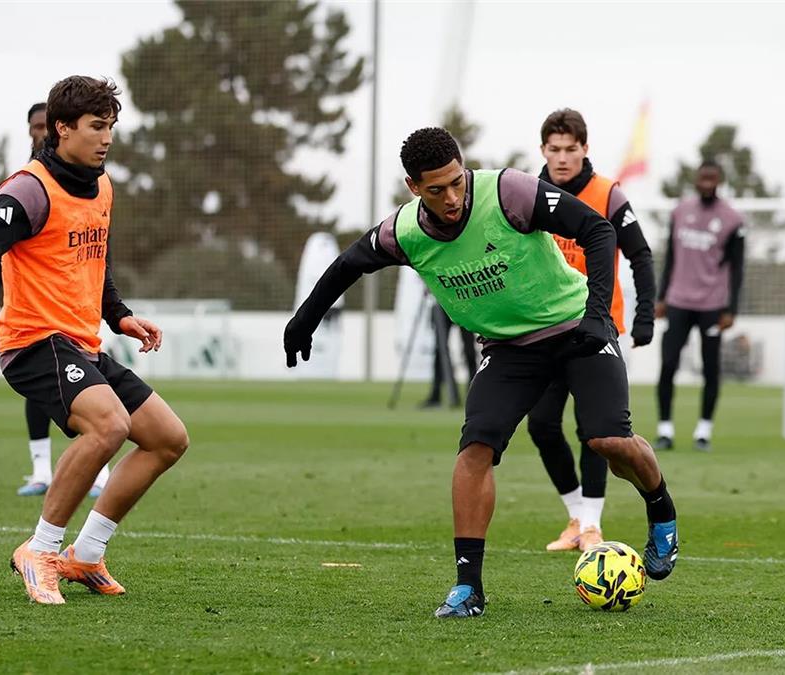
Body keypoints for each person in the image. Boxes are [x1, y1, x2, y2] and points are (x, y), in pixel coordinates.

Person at [285, 127, 679, 619]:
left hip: (576, 326)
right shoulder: (404, 232)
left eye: (457, 182)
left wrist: (599, 314)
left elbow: (598, 231)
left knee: (608, 441)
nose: (452, 198)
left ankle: (661, 508)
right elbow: (349, 264)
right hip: (509, 349)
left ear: (464, 168)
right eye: (436, 190)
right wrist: (304, 320)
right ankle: (468, 587)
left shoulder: (509, 192)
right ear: (413, 187)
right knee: (475, 449)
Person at [0, 76, 189, 604]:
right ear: (62, 128)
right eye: (96, 126)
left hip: (81, 344)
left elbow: (94, 260)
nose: (107, 138)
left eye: (111, 127)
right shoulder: (28, 189)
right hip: (34, 342)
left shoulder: (101, 185)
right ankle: (39, 550)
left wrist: (119, 316)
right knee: (110, 426)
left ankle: (85, 554)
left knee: (168, 438)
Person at [527, 109, 654, 552]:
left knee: (594, 431)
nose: (562, 158)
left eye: (571, 149)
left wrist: (644, 315)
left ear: (585, 149)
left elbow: (640, 254)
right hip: (544, 329)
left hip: (598, 328)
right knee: (542, 425)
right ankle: (575, 515)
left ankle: (592, 526)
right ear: (543, 150)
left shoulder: (608, 194)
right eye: (554, 149)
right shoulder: (528, 195)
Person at [0, 102, 110, 498]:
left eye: (44, 125)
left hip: (79, 318)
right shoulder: (28, 184)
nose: (40, 132)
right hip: (37, 323)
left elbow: (95, 250)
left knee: (124, 419)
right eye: (35, 126)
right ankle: (43, 472)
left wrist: (118, 312)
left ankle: (96, 472)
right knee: (68, 400)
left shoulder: (94, 181)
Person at [655, 160, 745, 452]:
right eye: (703, 178)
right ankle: (665, 430)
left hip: (712, 304)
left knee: (710, 369)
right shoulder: (680, 212)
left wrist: (731, 309)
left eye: (712, 179)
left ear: (719, 181)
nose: (707, 183)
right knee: (668, 364)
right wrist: (661, 297)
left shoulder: (732, 219)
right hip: (679, 301)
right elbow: (670, 256)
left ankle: (703, 431)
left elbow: (737, 268)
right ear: (696, 180)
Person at [419, 300, 478, 409]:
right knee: (440, 351)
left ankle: (474, 393)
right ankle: (436, 394)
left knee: (469, 350)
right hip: (444, 303)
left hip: (463, 303)